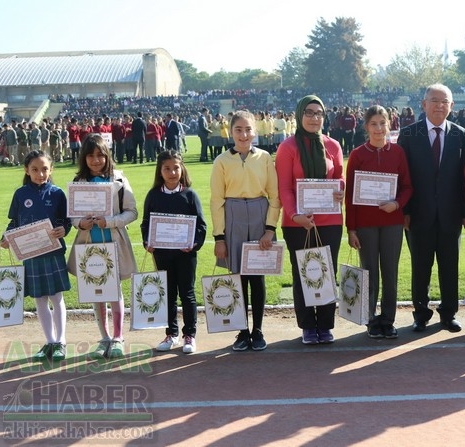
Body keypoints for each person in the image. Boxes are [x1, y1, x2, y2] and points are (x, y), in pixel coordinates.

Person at [397, 83, 465, 333]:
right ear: (424, 104)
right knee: (421, 266)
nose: (440, 105)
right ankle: (420, 314)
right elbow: (402, 177)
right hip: (418, 215)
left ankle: (448, 314)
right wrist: (404, 211)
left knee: (450, 266)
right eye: (435, 100)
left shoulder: (461, 134)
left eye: (445, 101)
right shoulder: (408, 135)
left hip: (450, 215)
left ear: (452, 106)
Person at [275, 95, 344, 345]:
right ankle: (307, 325)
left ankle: (325, 325)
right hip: (297, 222)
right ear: (299, 114)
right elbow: (284, 187)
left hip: (330, 220)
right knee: (303, 272)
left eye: (319, 113)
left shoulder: (333, 145)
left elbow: (339, 177)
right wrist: (295, 215)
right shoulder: (287, 147)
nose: (315, 118)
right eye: (309, 112)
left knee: (326, 270)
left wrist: (341, 189)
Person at [210, 111, 281, 351]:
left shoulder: (264, 158)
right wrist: (219, 237)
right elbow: (216, 200)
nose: (243, 134)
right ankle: (242, 331)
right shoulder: (221, 161)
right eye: (238, 129)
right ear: (231, 132)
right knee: (238, 276)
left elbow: (275, 196)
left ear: (255, 131)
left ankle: (258, 329)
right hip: (233, 217)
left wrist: (270, 229)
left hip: (260, 216)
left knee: (257, 276)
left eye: (248, 129)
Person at [345, 105, 413, 339]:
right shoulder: (357, 155)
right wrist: (351, 228)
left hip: (392, 222)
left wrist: (397, 204)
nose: (378, 128)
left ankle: (388, 319)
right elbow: (350, 195)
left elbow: (407, 187)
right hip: (365, 224)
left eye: (382, 123)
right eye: (373, 124)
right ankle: (371, 319)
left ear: (389, 124)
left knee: (390, 271)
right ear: (366, 126)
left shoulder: (398, 152)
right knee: (370, 271)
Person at [67, 134, 138, 359]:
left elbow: (132, 212)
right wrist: (80, 223)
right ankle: (104, 337)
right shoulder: (78, 182)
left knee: (114, 290)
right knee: (95, 291)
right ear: (84, 158)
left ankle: (118, 337)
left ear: (107, 155)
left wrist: (111, 221)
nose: (96, 160)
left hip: (113, 243)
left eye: (100, 155)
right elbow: (72, 216)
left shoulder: (119, 180)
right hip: (89, 244)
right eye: (90, 156)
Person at [0, 151, 71, 361]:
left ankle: (61, 341)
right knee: (39, 299)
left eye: (44, 169)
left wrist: (63, 230)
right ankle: (49, 342)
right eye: (35, 170)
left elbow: (66, 222)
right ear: (26, 170)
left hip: (53, 252)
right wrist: (5, 239)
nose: (40, 174)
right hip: (30, 255)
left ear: (51, 170)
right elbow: (14, 223)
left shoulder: (58, 193)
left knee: (57, 297)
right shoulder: (20, 194)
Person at [141, 150, 206, 353]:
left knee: (187, 293)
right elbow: (146, 223)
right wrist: (147, 242)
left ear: (182, 168)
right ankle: (172, 334)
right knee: (167, 293)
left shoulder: (190, 195)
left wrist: (194, 243)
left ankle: (190, 335)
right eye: (167, 168)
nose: (172, 172)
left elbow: (201, 226)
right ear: (160, 171)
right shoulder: (153, 195)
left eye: (176, 167)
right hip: (162, 254)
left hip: (186, 254)